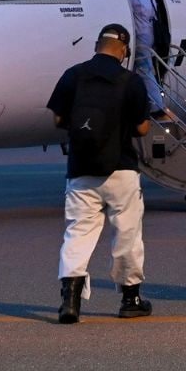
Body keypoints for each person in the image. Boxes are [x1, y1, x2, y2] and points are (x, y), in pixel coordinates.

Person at [46, 23, 154, 324]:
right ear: (124, 50)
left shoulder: (73, 75)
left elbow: (57, 117)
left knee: (78, 233)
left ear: (97, 45)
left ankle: (70, 301)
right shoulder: (130, 81)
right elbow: (143, 127)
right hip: (121, 169)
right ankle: (130, 299)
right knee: (127, 232)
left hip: (81, 169)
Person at [123, 0, 165, 115]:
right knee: (141, 68)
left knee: (144, 69)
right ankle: (139, 100)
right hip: (150, 33)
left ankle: (156, 104)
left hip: (140, 35)